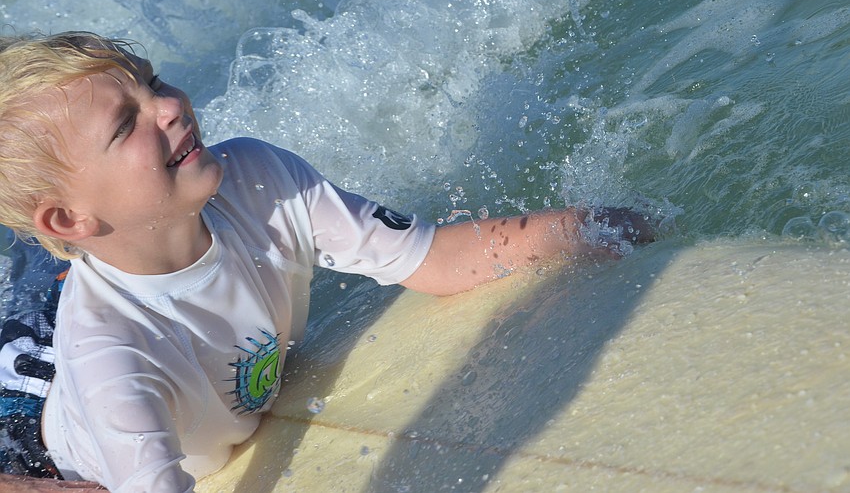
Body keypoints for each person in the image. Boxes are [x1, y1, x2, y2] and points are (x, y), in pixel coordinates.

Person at [0, 31, 655, 492]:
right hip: (32, 425)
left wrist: (589, 229)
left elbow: (433, 259)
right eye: (127, 123)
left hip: (91, 282)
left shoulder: (258, 178)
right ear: (70, 220)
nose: (169, 106)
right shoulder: (114, 360)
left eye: (152, 82)